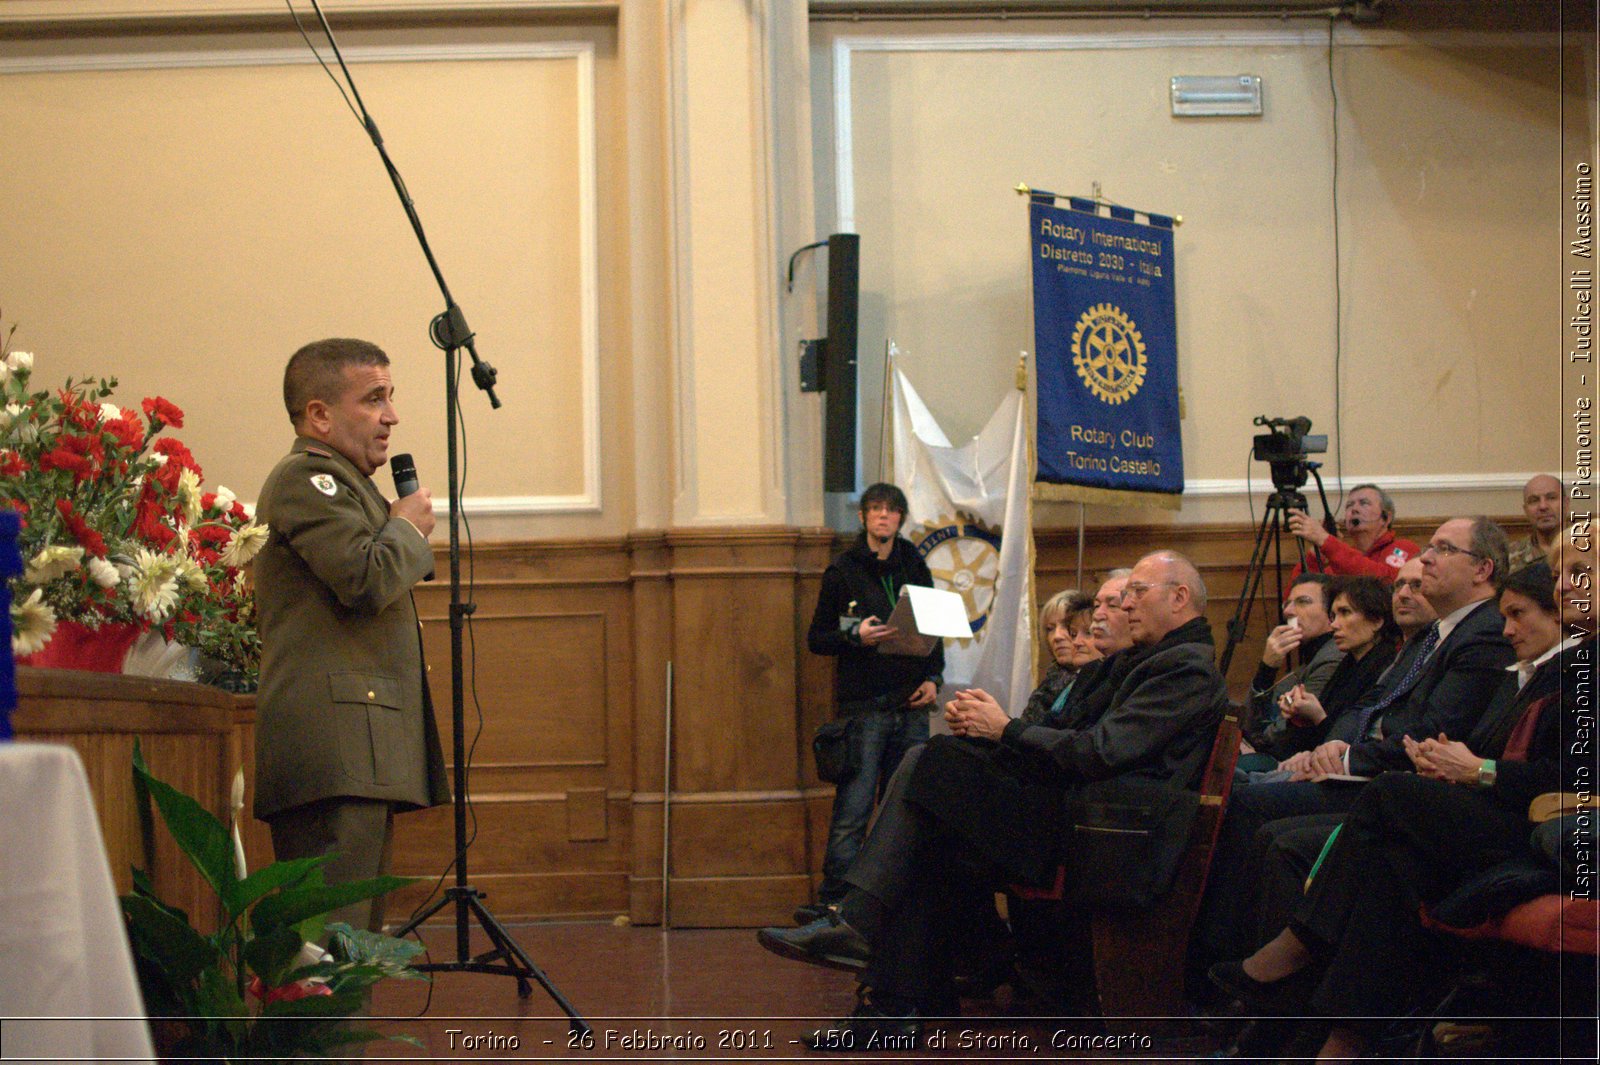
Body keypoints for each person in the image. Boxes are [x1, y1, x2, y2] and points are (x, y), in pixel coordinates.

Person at [758, 551, 1227, 1046]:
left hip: (1104, 837)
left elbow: (1100, 751)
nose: (1125, 605)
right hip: (1079, 816)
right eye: (1123, 594)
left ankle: (860, 928)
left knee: (929, 765)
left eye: (1137, 592)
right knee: (934, 809)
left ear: (1179, 598)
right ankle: (890, 1004)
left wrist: (1005, 730)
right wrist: (994, 736)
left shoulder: (1183, 669)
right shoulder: (1143, 660)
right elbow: (1067, 738)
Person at [1211, 545, 1591, 1062]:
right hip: (1505, 813)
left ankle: (1299, 949)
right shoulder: (1552, 667)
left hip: (1550, 835)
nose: (1506, 632)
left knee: (1390, 797)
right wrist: (1448, 761)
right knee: (1389, 865)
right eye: (1561, 575)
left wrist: (1476, 769)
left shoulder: (1574, 669)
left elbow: (1568, 781)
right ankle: (1336, 1047)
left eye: (1579, 573)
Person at [253, 338, 449, 932]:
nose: (391, 416)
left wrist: (395, 527)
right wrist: (406, 529)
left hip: (355, 748)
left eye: (390, 398)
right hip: (333, 750)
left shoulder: (346, 484)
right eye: (374, 399)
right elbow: (365, 579)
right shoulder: (307, 480)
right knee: (326, 952)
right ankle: (317, 1033)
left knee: (350, 945)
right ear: (319, 415)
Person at [801, 483, 944, 922]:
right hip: (864, 706)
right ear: (863, 517)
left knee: (905, 806)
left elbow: (933, 627)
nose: (884, 517)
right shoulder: (841, 570)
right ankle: (835, 901)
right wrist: (853, 635)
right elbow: (816, 639)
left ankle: (896, 900)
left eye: (893, 511)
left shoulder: (915, 564)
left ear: (901, 519)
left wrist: (935, 678)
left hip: (911, 702)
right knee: (854, 808)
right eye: (876, 510)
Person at [1250, 576, 1399, 765]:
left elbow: (1354, 742)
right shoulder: (1350, 663)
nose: (1335, 624)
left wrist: (1316, 716)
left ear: (1377, 620)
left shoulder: (1384, 668)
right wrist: (1300, 714)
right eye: (1334, 616)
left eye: (1345, 613)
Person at [1243, 573, 1343, 745]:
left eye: (1303, 601)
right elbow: (1250, 724)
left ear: (1331, 615)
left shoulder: (1333, 657)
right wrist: (1267, 668)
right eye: (1287, 603)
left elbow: (1273, 738)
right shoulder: (1306, 664)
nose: (1288, 611)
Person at [1285, 483, 1419, 584]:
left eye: (1364, 503)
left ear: (1386, 518)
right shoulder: (1339, 559)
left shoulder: (1403, 548)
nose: (1354, 509)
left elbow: (1385, 581)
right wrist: (1316, 555)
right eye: (1349, 505)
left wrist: (1326, 540)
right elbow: (1295, 595)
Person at [1018, 589, 1099, 726]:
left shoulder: (1098, 682)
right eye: (1050, 628)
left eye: (1067, 627)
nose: (1057, 636)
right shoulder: (1049, 684)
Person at [1507, 473, 1563, 573]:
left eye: (1551, 498)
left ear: (1566, 504)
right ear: (1525, 510)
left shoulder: (1588, 549)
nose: (1543, 506)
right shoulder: (1508, 557)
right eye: (1534, 501)